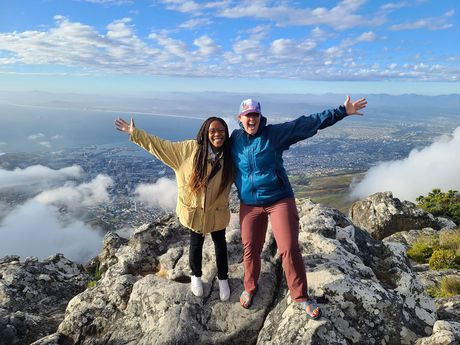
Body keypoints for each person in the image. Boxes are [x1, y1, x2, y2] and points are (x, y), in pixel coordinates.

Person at [230, 96, 367, 318]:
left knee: (289, 248)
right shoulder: (234, 139)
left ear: (260, 117)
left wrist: (342, 111)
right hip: (249, 203)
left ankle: (300, 295)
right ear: (240, 118)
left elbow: (306, 123)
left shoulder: (274, 134)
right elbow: (212, 150)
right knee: (250, 249)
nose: (251, 119)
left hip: (278, 199)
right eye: (247, 116)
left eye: (255, 115)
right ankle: (250, 286)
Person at [115, 116, 234, 301]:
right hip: (195, 211)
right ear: (205, 132)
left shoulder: (230, 155)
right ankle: (196, 276)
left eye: (221, 131)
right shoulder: (187, 150)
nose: (217, 134)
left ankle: (223, 278)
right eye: (213, 131)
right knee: (196, 244)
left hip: (217, 211)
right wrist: (135, 133)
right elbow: (160, 146)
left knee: (220, 244)